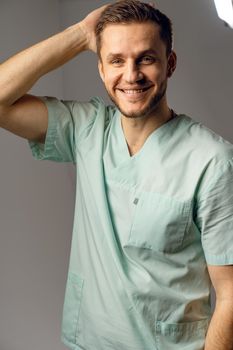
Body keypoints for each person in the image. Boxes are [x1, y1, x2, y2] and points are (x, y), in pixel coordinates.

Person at [0, 1, 233, 349]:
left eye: (146, 58)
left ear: (170, 63)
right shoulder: (86, 131)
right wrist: (80, 35)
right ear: (101, 68)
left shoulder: (211, 161)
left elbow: (230, 294)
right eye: (117, 60)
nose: (131, 74)